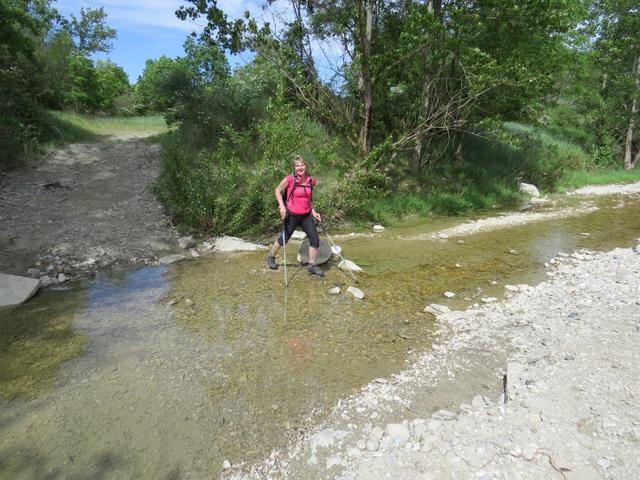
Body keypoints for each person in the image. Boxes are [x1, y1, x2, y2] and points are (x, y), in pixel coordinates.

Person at [266, 155, 325, 277]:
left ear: (306, 166)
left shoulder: (311, 180)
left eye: (302, 165)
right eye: (297, 165)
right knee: (284, 239)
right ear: (294, 167)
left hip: (306, 216)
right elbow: (277, 190)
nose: (300, 167)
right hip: (291, 215)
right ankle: (271, 256)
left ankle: (312, 266)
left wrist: (314, 212)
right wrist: (282, 207)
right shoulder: (290, 179)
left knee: (315, 240)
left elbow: (308, 199)